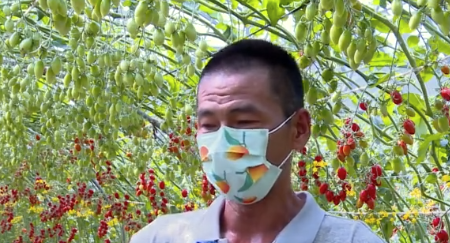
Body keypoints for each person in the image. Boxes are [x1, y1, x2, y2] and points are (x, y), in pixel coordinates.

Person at [129, 39, 385, 243]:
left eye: (244, 122)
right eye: (209, 125)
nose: (222, 142)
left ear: (299, 130)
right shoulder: (159, 237)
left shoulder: (352, 239)